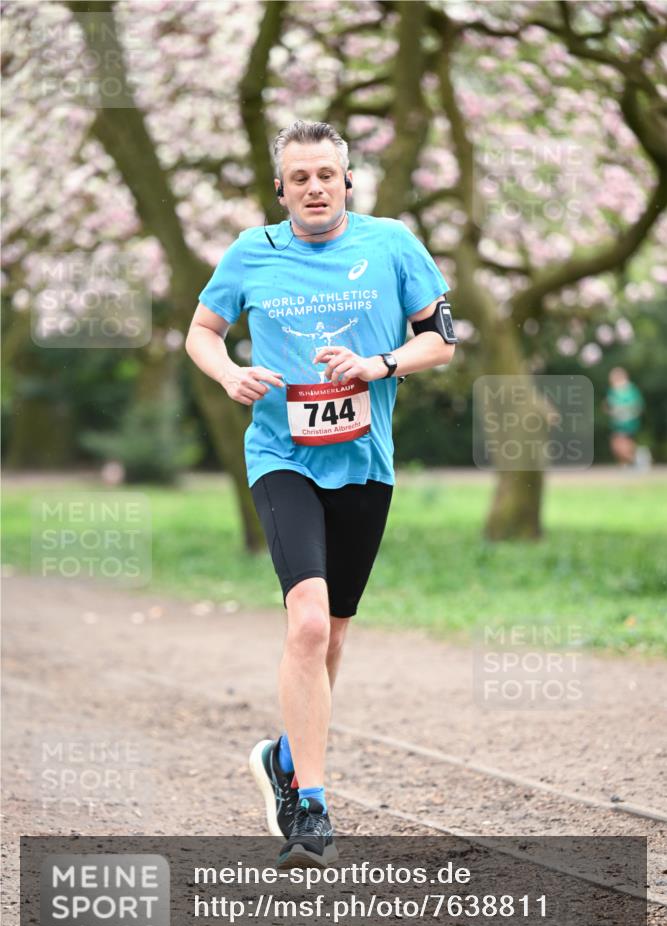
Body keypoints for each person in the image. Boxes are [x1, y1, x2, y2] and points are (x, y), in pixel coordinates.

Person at [185, 120, 456, 868]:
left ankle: (283, 756)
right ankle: (311, 805)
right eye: (299, 177)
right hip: (282, 457)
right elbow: (201, 331)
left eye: (325, 175)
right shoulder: (252, 252)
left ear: (346, 182)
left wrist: (380, 364)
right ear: (280, 189)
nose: (313, 188)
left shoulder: (391, 244)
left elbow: (440, 339)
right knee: (306, 622)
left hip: (365, 462)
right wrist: (228, 373)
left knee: (332, 635)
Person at [605, 367, 644, 467]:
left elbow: (637, 406)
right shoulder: (612, 391)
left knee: (621, 445)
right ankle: (634, 461)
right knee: (616, 446)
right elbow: (609, 406)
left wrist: (625, 413)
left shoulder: (630, 390)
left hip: (628, 423)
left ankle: (639, 459)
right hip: (617, 424)